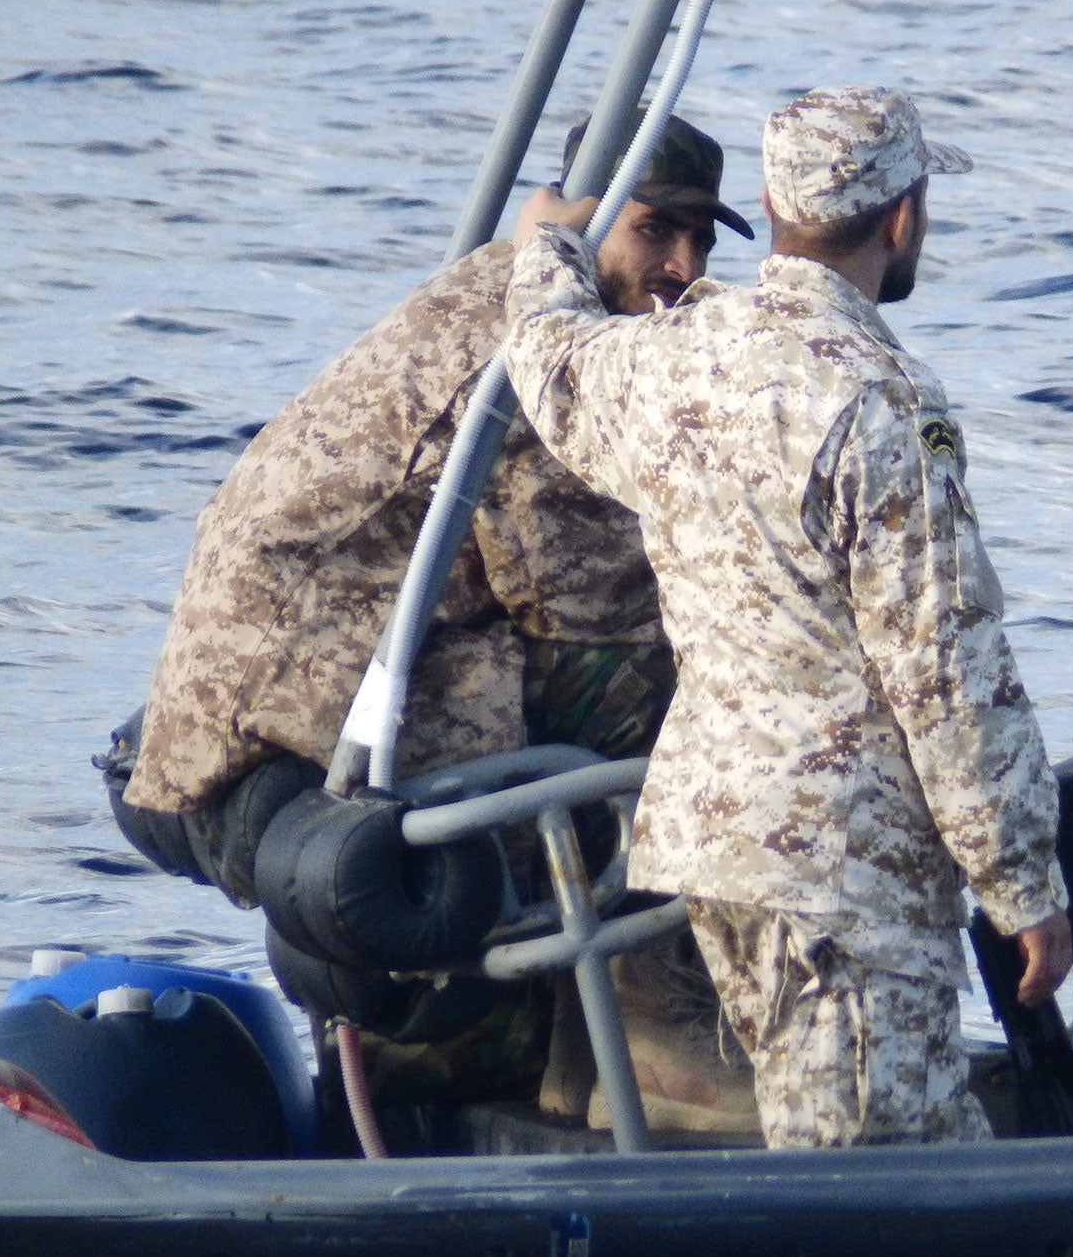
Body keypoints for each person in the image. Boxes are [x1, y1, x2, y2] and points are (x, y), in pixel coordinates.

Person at [116, 110, 760, 1136]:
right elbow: (590, 605)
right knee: (682, 684)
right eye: (655, 231)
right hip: (304, 689)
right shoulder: (533, 348)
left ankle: (545, 1048)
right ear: (584, 220)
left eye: (701, 237)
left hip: (294, 670)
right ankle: (651, 1031)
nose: (682, 262)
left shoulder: (513, 290)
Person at [501, 86, 1073, 1148]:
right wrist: (1020, 880)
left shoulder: (674, 358)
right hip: (842, 872)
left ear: (767, 203)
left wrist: (548, 242)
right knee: (873, 1183)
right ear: (901, 215)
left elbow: (551, 360)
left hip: (719, 849)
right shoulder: (880, 401)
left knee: (869, 1149)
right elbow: (943, 670)